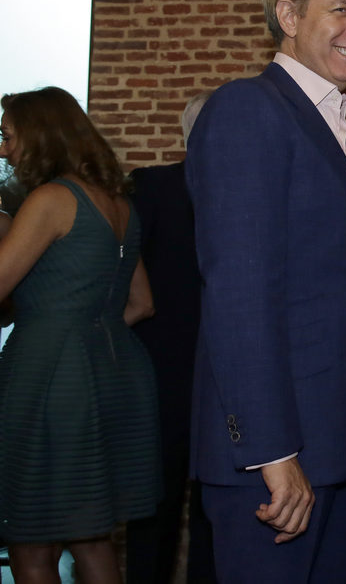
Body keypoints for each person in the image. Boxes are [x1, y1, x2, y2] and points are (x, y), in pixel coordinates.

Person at [184, 0, 346, 583]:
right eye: (341, 10)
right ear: (290, 16)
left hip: (339, 450)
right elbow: (239, 295)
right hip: (277, 465)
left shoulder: (333, 126)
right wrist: (273, 451)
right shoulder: (248, 110)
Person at [0, 86, 161, 583]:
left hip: (47, 377)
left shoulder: (51, 200)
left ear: (40, 133)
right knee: (91, 538)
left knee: (31, 542)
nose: (4, 150)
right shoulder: (119, 205)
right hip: (114, 370)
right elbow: (141, 304)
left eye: (8, 136)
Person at [126, 91, 216, 584]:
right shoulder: (153, 187)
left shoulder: (248, 193)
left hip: (218, 382)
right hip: (163, 378)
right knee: (153, 512)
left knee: (212, 512)